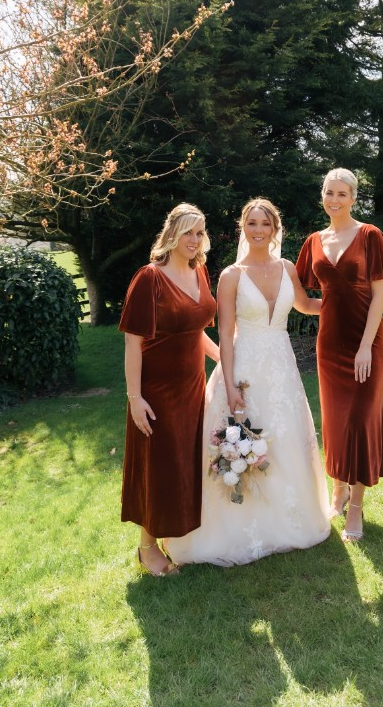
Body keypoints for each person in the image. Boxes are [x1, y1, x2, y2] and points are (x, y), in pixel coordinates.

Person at [166, 198, 330, 566]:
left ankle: (292, 521)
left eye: (265, 224)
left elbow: (305, 304)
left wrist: (345, 302)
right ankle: (241, 528)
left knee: (287, 438)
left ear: (275, 229)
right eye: (252, 223)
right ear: (244, 228)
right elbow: (225, 333)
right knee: (247, 440)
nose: (259, 230)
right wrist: (230, 382)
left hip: (282, 368)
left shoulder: (288, 267)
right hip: (245, 369)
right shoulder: (231, 276)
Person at [119, 203, 219, 576]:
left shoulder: (200, 271)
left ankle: (171, 539)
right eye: (188, 232)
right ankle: (147, 549)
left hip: (194, 386)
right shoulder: (150, 278)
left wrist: (223, 358)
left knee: (184, 463)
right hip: (158, 390)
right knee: (160, 466)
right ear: (172, 233)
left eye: (199, 232)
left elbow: (197, 331)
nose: (194, 240)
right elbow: (133, 343)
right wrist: (135, 398)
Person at [296, 168, 383, 542]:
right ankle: (338, 490)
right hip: (330, 345)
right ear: (322, 196)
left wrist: (366, 345)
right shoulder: (313, 241)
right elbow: (304, 299)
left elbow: (379, 294)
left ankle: (356, 507)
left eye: (342, 193)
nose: (334, 200)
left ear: (354, 197)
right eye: (329, 193)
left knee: (360, 421)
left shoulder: (370, 235)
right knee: (336, 421)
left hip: (367, 342)